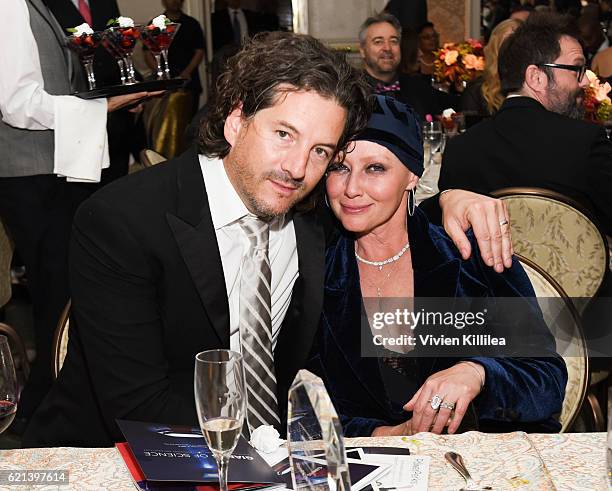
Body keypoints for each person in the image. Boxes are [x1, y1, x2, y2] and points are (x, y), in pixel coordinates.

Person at [23, 32, 513, 448]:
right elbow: (138, 407)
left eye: (321, 150)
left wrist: (448, 198)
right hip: (113, 455)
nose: (299, 168)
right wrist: (290, 443)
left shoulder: (311, 213)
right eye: (284, 133)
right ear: (236, 121)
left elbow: (379, 202)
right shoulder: (121, 221)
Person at [316, 95, 567, 437]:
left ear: (412, 176)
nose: (351, 189)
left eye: (376, 168)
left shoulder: (468, 253)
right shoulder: (316, 272)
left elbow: (546, 378)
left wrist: (478, 373)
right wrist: (380, 435)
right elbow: (304, 402)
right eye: (339, 167)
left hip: (483, 463)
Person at [0, 0, 152, 427]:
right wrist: (105, 107)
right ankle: (48, 417)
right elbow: (17, 103)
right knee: (57, 295)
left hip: (62, 164)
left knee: (67, 292)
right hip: (31, 173)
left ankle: (60, 408)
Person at [440, 12, 612, 236]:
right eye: (577, 69)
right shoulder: (585, 143)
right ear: (536, 77)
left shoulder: (459, 150)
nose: (586, 80)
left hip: (486, 272)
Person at [48, 0, 139, 185]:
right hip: (76, 113)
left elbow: (118, 44)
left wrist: (134, 83)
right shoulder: (46, 4)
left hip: (117, 116)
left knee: (117, 187)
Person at [359, 13, 455, 120]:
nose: (387, 48)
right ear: (362, 50)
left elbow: (457, 104)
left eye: (393, 41)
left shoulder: (417, 86)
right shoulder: (349, 91)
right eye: (378, 41)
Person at [144, 0, 206, 157]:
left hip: (189, 82)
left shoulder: (192, 24)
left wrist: (187, 72)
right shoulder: (155, 23)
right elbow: (148, 52)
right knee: (164, 127)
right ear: (164, 1)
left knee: (189, 127)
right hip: (164, 85)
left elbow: (199, 51)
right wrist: (160, 72)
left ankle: (189, 160)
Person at [461, 18, 521, 117]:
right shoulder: (476, 90)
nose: (514, 49)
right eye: (508, 43)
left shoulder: (537, 86)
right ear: (495, 48)